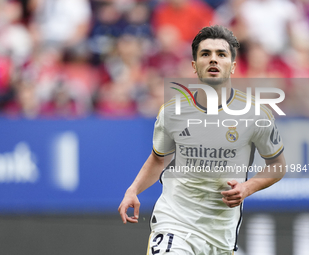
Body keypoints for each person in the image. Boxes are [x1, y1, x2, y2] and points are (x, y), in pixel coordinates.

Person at [118, 25, 286, 255]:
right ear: (194, 66)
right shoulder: (172, 112)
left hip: (220, 236)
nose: (213, 60)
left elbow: (277, 166)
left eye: (221, 54)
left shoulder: (257, 114)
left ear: (233, 66)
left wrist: (247, 187)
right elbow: (158, 160)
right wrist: (133, 190)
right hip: (174, 224)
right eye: (205, 54)